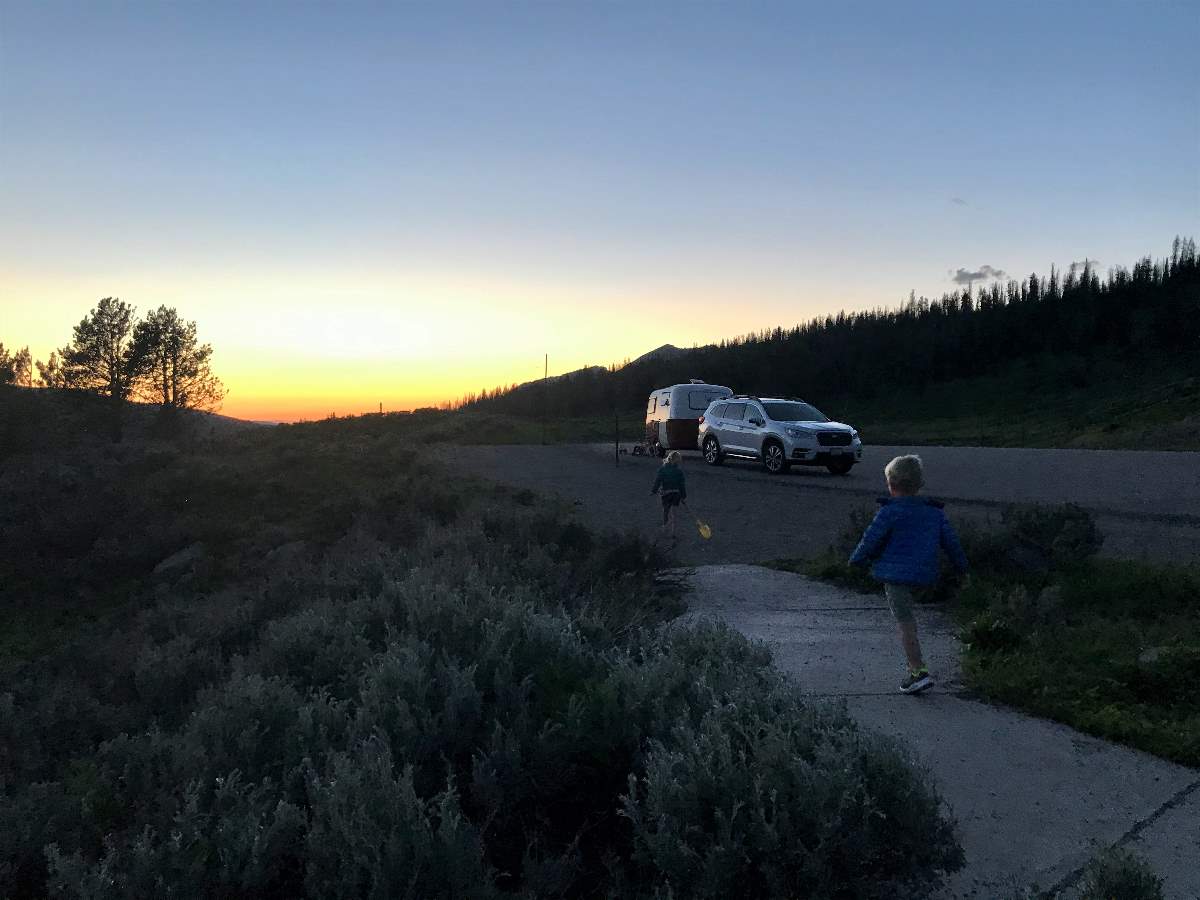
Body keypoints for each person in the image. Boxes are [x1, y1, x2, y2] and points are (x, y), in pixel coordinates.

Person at [849, 454, 968, 694]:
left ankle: (918, 671)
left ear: (890, 484)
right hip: (926, 573)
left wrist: (856, 561)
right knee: (911, 619)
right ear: (919, 484)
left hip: (895, 577)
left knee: (906, 624)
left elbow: (870, 540)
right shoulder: (934, 513)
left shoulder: (889, 512)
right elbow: (951, 543)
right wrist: (963, 568)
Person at [650, 450, 687, 539]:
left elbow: (658, 481)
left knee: (665, 512)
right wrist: (683, 495)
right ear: (677, 461)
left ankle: (664, 529)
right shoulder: (679, 471)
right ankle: (673, 532)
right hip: (676, 494)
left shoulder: (662, 469)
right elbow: (682, 484)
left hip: (666, 494)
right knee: (674, 514)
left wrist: (654, 491)